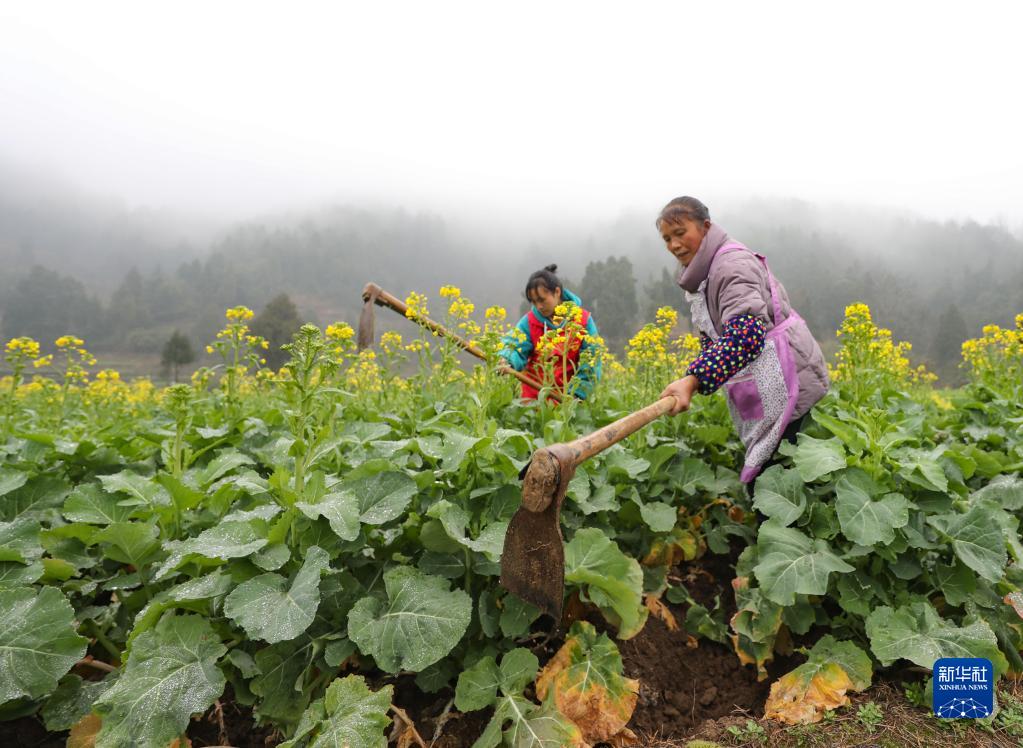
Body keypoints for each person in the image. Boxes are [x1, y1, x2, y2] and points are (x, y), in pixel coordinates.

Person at [656, 197, 829, 486]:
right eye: (666, 239)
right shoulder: (706, 273)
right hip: (767, 380)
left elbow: (746, 335)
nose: (674, 245)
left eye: (680, 232)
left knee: (777, 482)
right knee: (770, 475)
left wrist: (693, 380)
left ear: (705, 227)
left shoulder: (731, 266)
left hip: (790, 380)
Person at [499, 264, 602, 400]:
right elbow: (514, 344)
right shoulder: (529, 322)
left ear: (557, 292)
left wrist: (577, 396)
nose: (539, 306)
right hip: (533, 401)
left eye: (542, 300)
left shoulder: (582, 320)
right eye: (534, 302)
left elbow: (591, 362)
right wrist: (505, 359)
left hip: (570, 401)